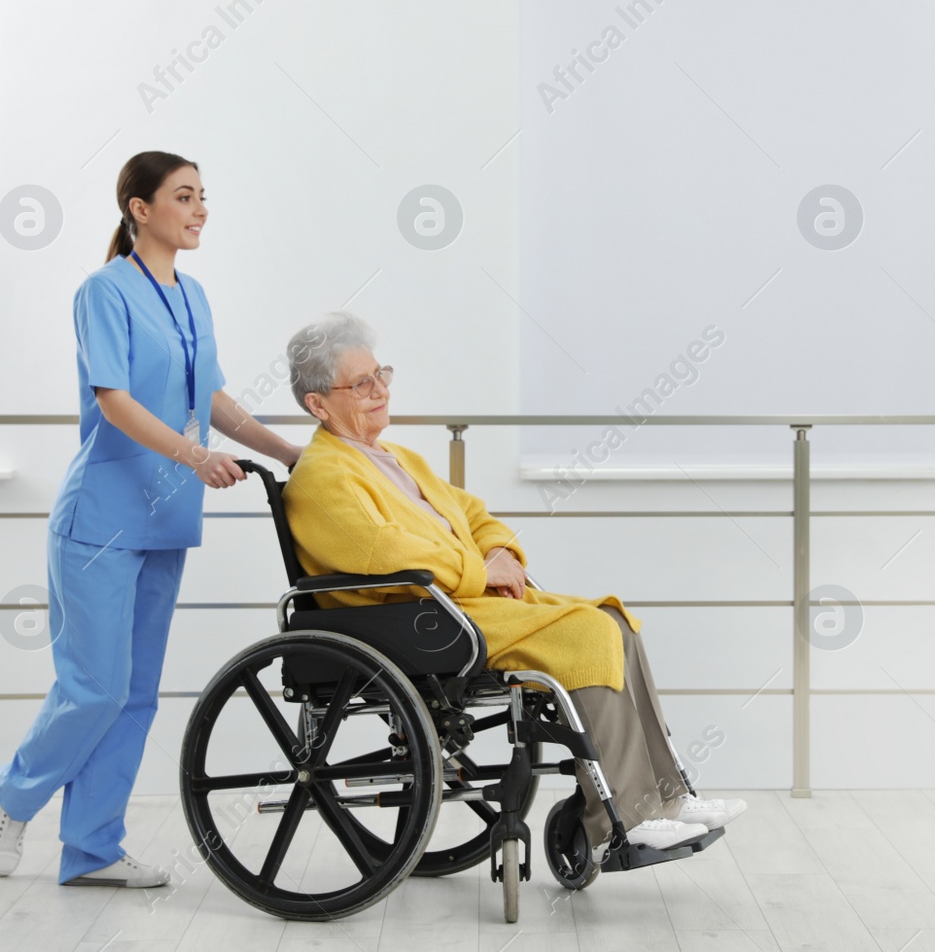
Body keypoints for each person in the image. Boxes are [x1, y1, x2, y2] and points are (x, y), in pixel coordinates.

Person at [279, 310, 746, 857]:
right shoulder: (321, 476)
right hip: (413, 618)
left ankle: (666, 796)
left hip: (454, 605)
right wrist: (480, 570)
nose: (380, 389)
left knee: (614, 620)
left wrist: (499, 552)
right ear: (318, 404)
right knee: (589, 634)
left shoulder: (394, 458)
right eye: (361, 383)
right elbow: (383, 552)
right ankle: (624, 818)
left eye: (381, 374)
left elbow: (472, 513)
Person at [0, 152, 304, 888]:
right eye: (183, 196)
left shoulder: (193, 296)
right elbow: (115, 401)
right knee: (93, 686)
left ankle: (92, 847)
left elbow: (211, 394)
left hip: (164, 522)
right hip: (100, 520)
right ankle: (14, 792)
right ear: (139, 207)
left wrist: (289, 451)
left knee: (133, 693)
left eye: (202, 196)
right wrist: (195, 457)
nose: (199, 209)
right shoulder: (104, 290)